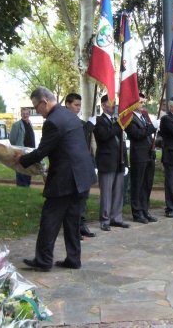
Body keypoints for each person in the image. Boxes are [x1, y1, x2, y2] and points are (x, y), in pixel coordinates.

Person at [14, 87, 97, 271]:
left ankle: (43, 261)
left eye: (36, 107)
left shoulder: (52, 121)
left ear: (44, 102)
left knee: (49, 219)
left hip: (66, 179)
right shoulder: (69, 115)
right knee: (72, 221)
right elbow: (69, 145)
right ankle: (74, 259)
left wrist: (22, 160)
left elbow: (42, 151)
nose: (37, 111)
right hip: (82, 176)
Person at [94, 94, 130, 231]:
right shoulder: (99, 121)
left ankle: (116, 217)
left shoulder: (117, 121)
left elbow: (122, 143)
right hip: (106, 161)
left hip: (119, 161)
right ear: (103, 105)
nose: (114, 105)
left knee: (118, 191)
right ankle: (105, 219)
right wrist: (119, 124)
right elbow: (104, 136)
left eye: (115, 102)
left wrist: (125, 163)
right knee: (107, 192)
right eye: (110, 103)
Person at [64, 93, 97, 240]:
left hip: (84, 166)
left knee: (83, 198)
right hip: (72, 168)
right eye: (76, 105)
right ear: (67, 104)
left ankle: (82, 224)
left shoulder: (80, 123)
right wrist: (88, 127)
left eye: (79, 105)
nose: (78, 108)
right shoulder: (64, 121)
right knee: (74, 201)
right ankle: (74, 228)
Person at [125, 93, 160, 223]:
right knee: (137, 185)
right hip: (138, 155)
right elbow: (137, 134)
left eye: (144, 102)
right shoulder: (129, 118)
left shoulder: (145, 116)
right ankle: (137, 212)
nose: (143, 104)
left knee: (147, 185)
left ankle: (145, 210)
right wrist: (152, 127)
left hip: (149, 154)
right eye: (140, 102)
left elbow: (149, 134)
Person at [9, 108, 35, 187]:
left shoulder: (30, 124)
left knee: (28, 169)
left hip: (30, 151)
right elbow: (12, 139)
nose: (25, 115)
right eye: (23, 114)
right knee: (20, 169)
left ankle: (27, 185)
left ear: (29, 115)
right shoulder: (16, 125)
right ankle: (20, 185)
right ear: (21, 115)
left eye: (26, 114)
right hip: (21, 151)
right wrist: (17, 149)